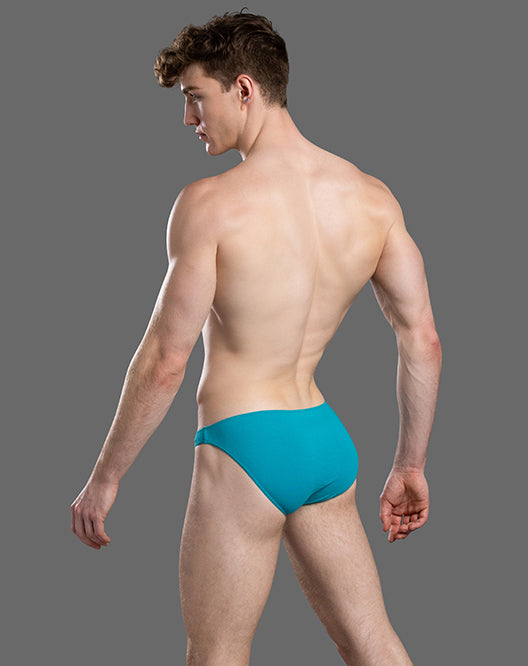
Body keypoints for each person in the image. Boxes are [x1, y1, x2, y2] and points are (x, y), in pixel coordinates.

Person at [70, 10, 442, 666]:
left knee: (217, 653)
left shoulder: (209, 205)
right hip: (323, 443)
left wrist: (105, 477)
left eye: (196, 97)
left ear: (243, 89)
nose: (189, 118)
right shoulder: (373, 199)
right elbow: (423, 341)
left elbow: (166, 358)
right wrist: (410, 466)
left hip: (244, 447)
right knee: (372, 642)